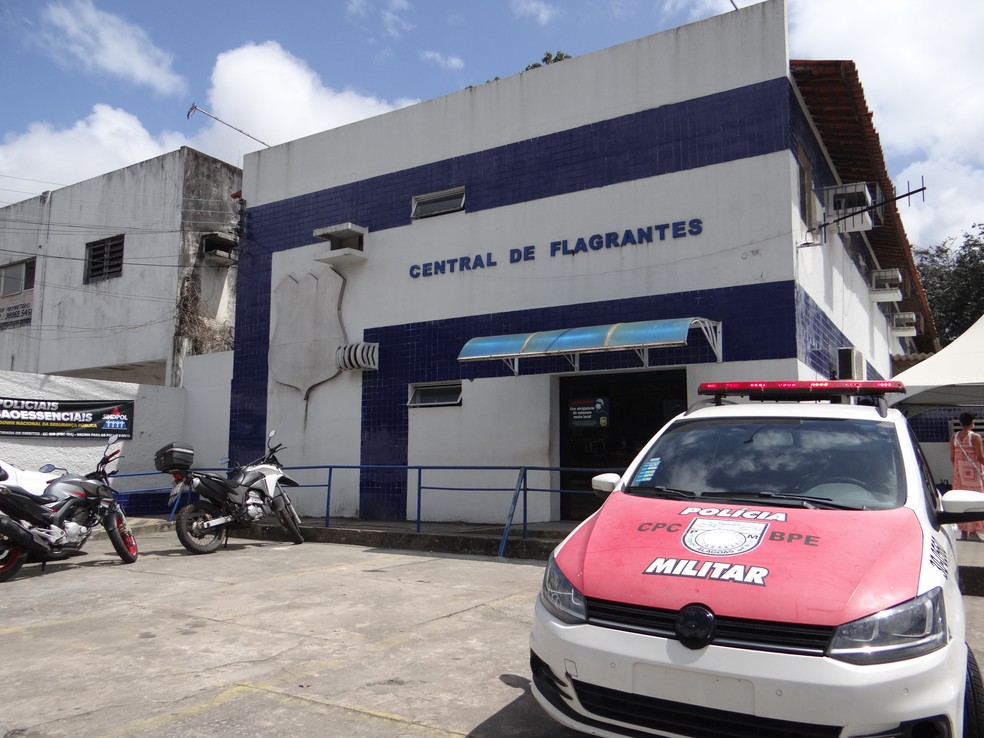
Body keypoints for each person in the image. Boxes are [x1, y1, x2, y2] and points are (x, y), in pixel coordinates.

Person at [951, 412, 984, 540]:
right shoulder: (975, 437)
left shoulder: (954, 437)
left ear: (960, 423)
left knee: (962, 502)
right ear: (972, 423)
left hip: (959, 475)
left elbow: (952, 457)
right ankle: (975, 532)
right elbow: (980, 457)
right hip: (974, 476)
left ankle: (964, 532)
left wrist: (958, 469)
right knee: (976, 501)